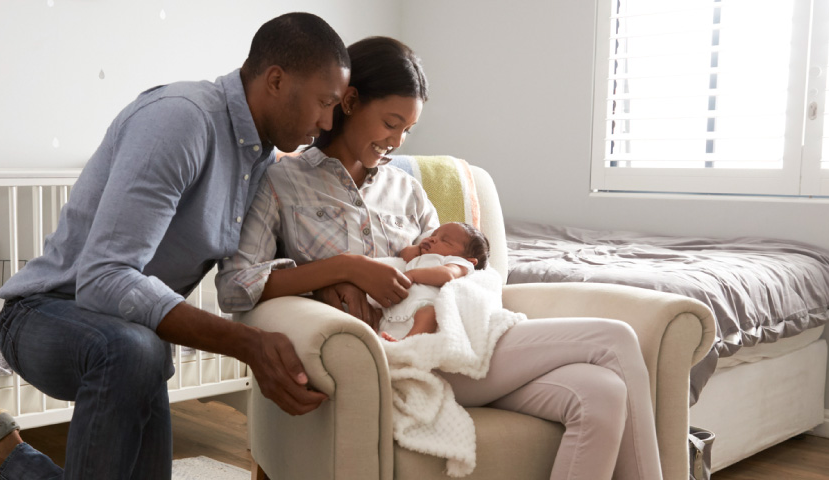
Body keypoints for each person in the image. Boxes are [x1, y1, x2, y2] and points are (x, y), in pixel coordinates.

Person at [216, 36, 665, 479]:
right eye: (391, 123)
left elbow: (453, 269)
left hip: (457, 340)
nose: (396, 141)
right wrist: (341, 269)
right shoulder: (282, 182)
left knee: (602, 394)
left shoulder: (407, 191)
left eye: (408, 130)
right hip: (395, 357)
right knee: (615, 340)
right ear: (349, 102)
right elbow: (237, 285)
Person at [0, 13, 350, 480]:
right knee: (140, 349)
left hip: (133, 342)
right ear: (277, 81)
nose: (326, 122)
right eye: (324, 103)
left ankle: (7, 458)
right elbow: (103, 279)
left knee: (142, 354)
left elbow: (244, 278)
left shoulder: (261, 160)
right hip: (45, 314)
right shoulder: (182, 119)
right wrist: (248, 344)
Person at [373, 221, 489, 341]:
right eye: (433, 235)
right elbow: (403, 255)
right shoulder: (421, 257)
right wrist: (418, 247)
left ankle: (405, 344)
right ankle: (378, 339)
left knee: (429, 315)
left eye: (445, 240)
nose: (433, 239)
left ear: (470, 261)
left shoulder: (459, 262)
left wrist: (412, 275)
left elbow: (448, 274)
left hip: (424, 304)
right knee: (373, 311)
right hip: (397, 306)